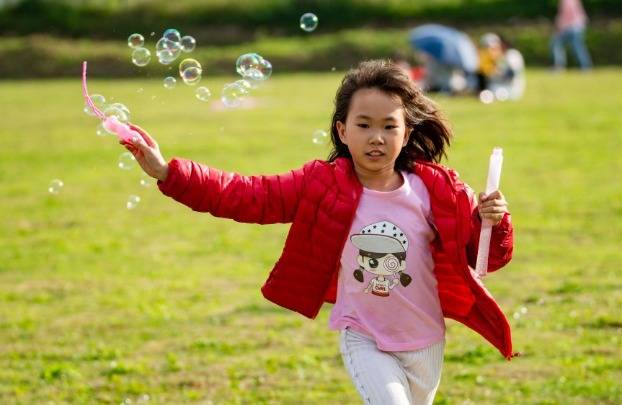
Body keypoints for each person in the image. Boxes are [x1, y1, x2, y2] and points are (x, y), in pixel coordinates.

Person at [119, 60, 517, 404]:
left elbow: (487, 258)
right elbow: (247, 195)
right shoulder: (321, 184)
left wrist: (495, 222)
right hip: (365, 335)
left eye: (388, 126)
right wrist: (169, 173)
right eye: (363, 125)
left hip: (426, 340)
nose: (376, 137)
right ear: (343, 131)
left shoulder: (439, 192)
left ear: (407, 134)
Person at [551, 0, 593, 71]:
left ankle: (559, 66)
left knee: (557, 43)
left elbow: (568, 14)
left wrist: (560, 25)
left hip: (572, 27)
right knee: (578, 47)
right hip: (577, 26)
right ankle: (586, 66)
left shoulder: (567, 1)